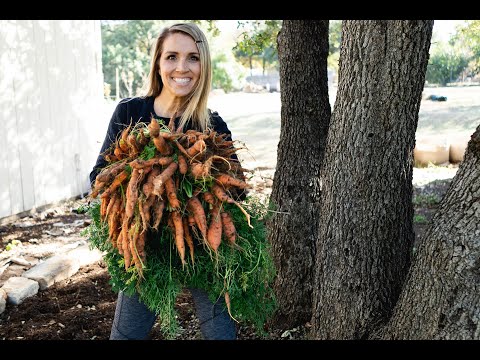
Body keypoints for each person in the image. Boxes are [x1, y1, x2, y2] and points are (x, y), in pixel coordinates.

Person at [89, 23, 241, 340]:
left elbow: (236, 191)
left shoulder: (212, 125)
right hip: (146, 247)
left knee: (220, 334)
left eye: (193, 58)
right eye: (171, 56)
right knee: (126, 336)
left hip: (202, 246)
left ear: (204, 65)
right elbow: (98, 178)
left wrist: (201, 197)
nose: (181, 68)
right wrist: (145, 186)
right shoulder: (130, 112)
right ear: (158, 63)